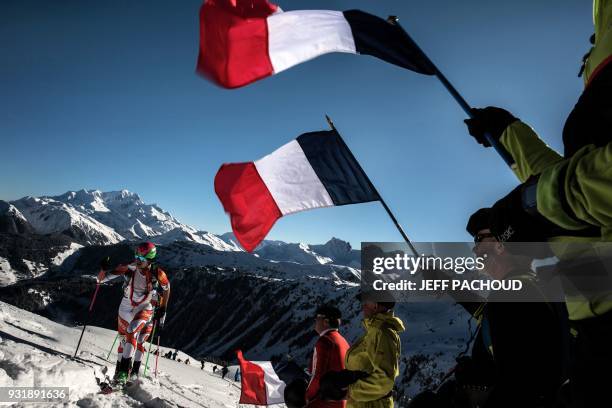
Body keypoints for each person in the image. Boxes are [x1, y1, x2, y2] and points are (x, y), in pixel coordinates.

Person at [423, 208, 566, 408]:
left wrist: (474, 383)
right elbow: (486, 315)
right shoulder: (526, 286)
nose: (475, 249)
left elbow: (520, 390)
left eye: (479, 239)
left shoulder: (512, 295)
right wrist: (447, 284)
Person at [98, 242, 170, 384]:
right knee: (123, 341)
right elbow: (100, 280)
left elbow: (167, 288)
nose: (137, 260)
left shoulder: (158, 273)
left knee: (132, 331)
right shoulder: (129, 268)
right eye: (136, 256)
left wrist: (163, 308)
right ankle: (119, 370)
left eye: (141, 259)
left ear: (150, 259)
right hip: (125, 306)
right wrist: (102, 269)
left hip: (145, 307)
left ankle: (125, 373)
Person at [321, 294, 403, 408]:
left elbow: (384, 381)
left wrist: (349, 391)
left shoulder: (382, 334)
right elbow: (365, 366)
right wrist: (343, 378)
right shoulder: (373, 331)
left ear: (375, 305)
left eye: (366, 303)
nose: (363, 306)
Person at [304, 305, 350, 408]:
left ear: (326, 322)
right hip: (343, 401)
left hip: (327, 402)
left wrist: (307, 396)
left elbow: (318, 375)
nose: (315, 321)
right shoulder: (343, 341)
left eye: (317, 318)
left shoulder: (324, 341)